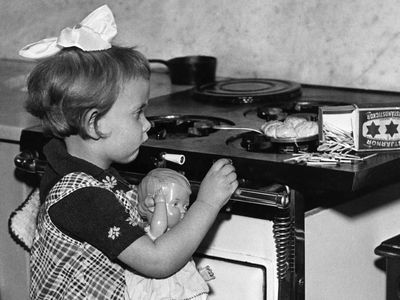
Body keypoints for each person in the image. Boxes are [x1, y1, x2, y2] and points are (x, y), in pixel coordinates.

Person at [20, 5, 238, 300]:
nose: (147, 124)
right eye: (138, 113)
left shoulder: (81, 171)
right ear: (95, 124)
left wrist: (142, 209)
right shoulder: (82, 197)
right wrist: (208, 203)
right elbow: (157, 261)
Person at [125, 168, 215, 300]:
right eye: (175, 204)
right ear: (152, 205)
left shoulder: (175, 237)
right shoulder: (153, 236)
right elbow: (159, 226)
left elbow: (178, 272)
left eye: (185, 206)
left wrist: (198, 276)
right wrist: (160, 203)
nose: (183, 211)